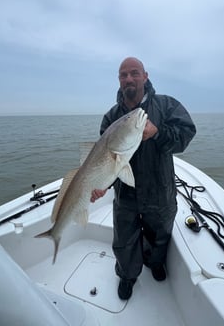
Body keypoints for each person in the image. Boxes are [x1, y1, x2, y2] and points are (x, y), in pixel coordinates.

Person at [91, 57, 196, 300]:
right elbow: (107, 160)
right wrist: (102, 185)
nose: (128, 78)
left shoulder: (167, 106)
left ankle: (154, 262)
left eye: (134, 73)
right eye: (123, 75)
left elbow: (186, 135)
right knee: (124, 240)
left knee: (159, 237)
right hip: (126, 195)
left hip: (160, 191)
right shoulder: (111, 117)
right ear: (119, 80)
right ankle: (127, 276)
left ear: (145, 76)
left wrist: (158, 133)